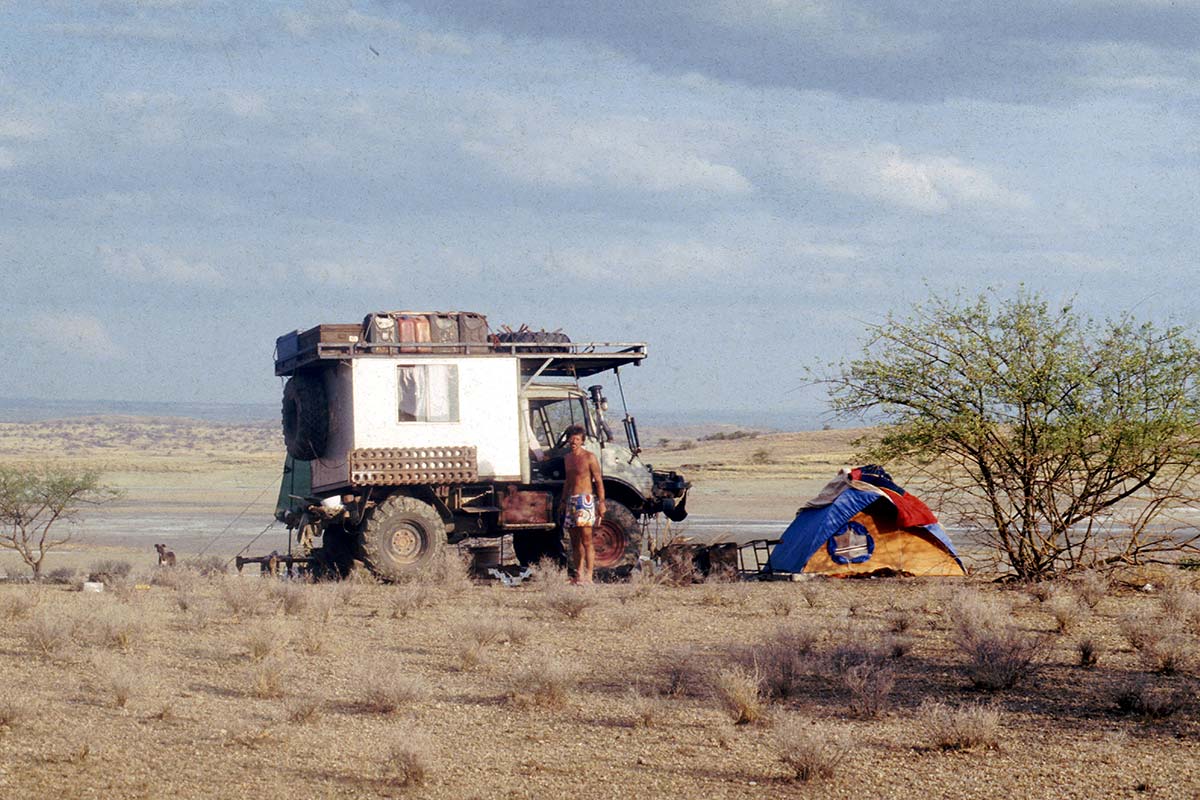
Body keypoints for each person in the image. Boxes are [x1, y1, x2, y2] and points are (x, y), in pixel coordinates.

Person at [560, 423, 605, 584]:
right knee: (574, 541)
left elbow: (599, 481)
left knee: (587, 540)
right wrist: (563, 501)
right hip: (571, 500)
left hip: (585, 500)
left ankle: (589, 575)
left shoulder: (589, 457)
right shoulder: (568, 458)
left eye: (577, 439)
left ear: (582, 441)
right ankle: (578, 574)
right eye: (571, 439)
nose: (573, 442)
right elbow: (568, 481)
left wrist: (601, 503)